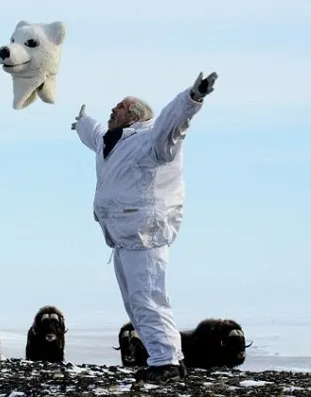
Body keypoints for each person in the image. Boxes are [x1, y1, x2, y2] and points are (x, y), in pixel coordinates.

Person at [71, 72, 218, 383]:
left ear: (135, 115)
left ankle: (166, 361)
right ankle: (166, 358)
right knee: (136, 303)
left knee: (149, 298)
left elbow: (172, 124)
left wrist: (191, 98)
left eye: (121, 106)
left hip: (145, 233)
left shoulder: (150, 141)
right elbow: (94, 132)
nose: (114, 109)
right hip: (122, 237)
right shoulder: (110, 142)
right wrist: (82, 121)